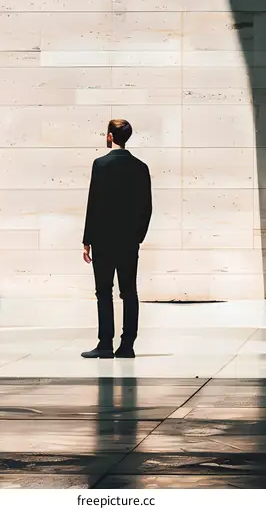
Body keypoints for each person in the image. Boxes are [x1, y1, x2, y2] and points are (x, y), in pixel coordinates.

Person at [81, 118, 152, 359]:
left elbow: (94, 203)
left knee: (104, 291)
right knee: (129, 292)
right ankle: (128, 345)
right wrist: (138, 237)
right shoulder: (140, 167)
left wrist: (87, 239)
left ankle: (105, 344)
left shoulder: (100, 165)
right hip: (128, 242)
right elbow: (146, 207)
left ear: (110, 136)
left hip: (103, 240)